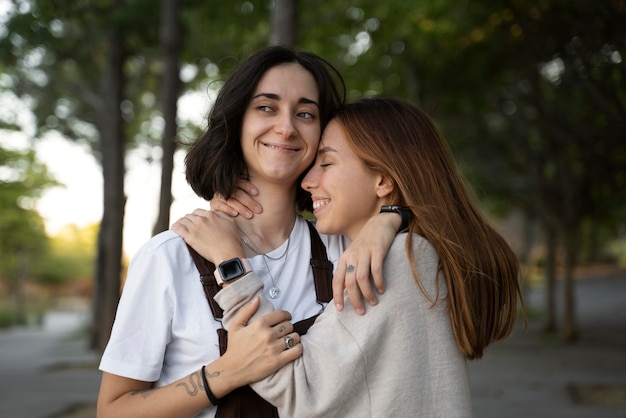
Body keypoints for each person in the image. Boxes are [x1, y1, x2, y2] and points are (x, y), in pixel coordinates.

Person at [97, 46, 401, 418]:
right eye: (266, 107)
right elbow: (112, 410)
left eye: (305, 113)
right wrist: (224, 373)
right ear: (237, 120)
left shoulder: (350, 246)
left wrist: (390, 217)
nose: (287, 127)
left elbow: (453, 249)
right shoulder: (168, 257)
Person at [177, 96, 525, 417]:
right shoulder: (419, 251)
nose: (307, 180)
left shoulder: (394, 262)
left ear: (383, 180)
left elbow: (300, 390)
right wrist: (393, 216)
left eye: (326, 163)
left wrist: (230, 262)